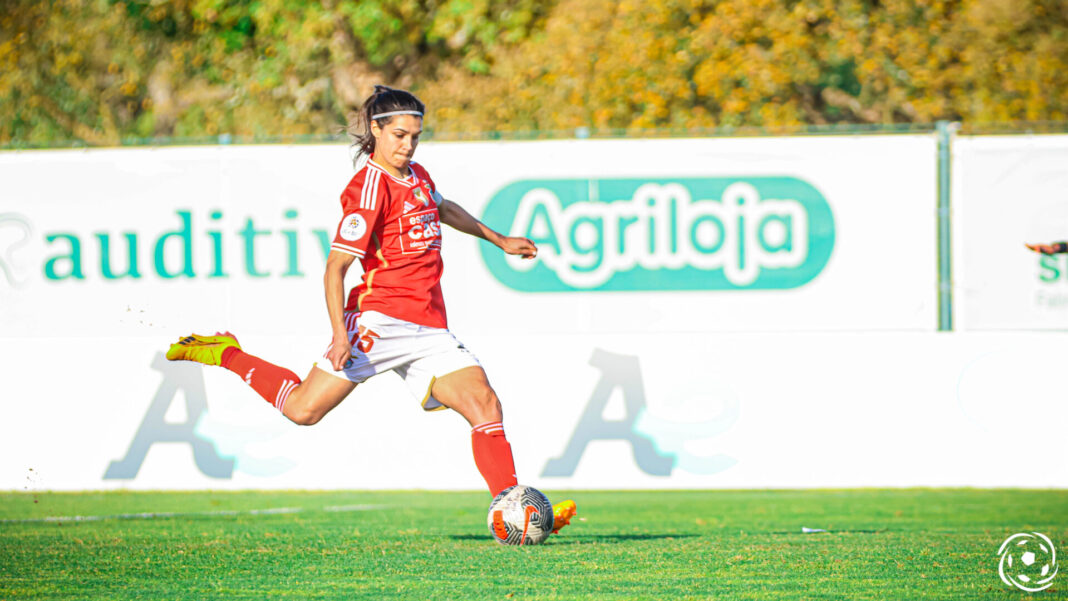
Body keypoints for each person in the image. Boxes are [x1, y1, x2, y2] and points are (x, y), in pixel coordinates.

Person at [166, 85, 575, 533]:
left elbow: (443, 208)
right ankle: (227, 352)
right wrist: (341, 335)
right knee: (304, 410)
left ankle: (515, 510)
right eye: (399, 135)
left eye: (415, 136)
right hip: (379, 321)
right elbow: (334, 268)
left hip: (430, 328)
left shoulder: (417, 175)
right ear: (376, 130)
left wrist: (498, 240)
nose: (408, 144)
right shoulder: (367, 189)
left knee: (485, 403)